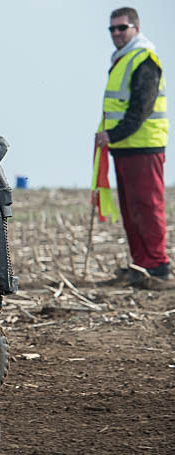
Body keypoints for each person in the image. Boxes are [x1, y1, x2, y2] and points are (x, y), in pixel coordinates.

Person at [94, 7, 169, 286]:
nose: (116, 34)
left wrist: (113, 134)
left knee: (147, 207)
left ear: (135, 28)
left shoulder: (144, 60)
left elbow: (141, 108)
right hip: (125, 147)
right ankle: (141, 266)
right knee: (130, 208)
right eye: (112, 29)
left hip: (144, 146)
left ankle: (159, 267)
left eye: (121, 28)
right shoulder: (122, 59)